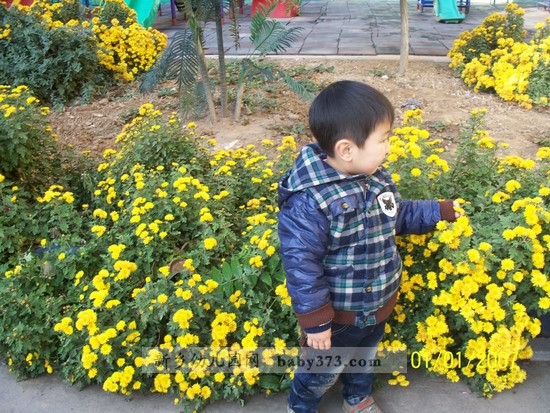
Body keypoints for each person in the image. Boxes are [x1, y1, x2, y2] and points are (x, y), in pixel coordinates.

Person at [277, 80, 459, 413]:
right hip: (338, 315)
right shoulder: (311, 201)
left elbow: (397, 214)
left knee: (365, 357)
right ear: (347, 149)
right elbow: (301, 263)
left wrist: (438, 211)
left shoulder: (376, 177)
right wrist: (316, 320)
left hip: (377, 304)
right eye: (383, 139)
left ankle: (356, 397)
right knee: (320, 370)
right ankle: (301, 406)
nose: (389, 146)